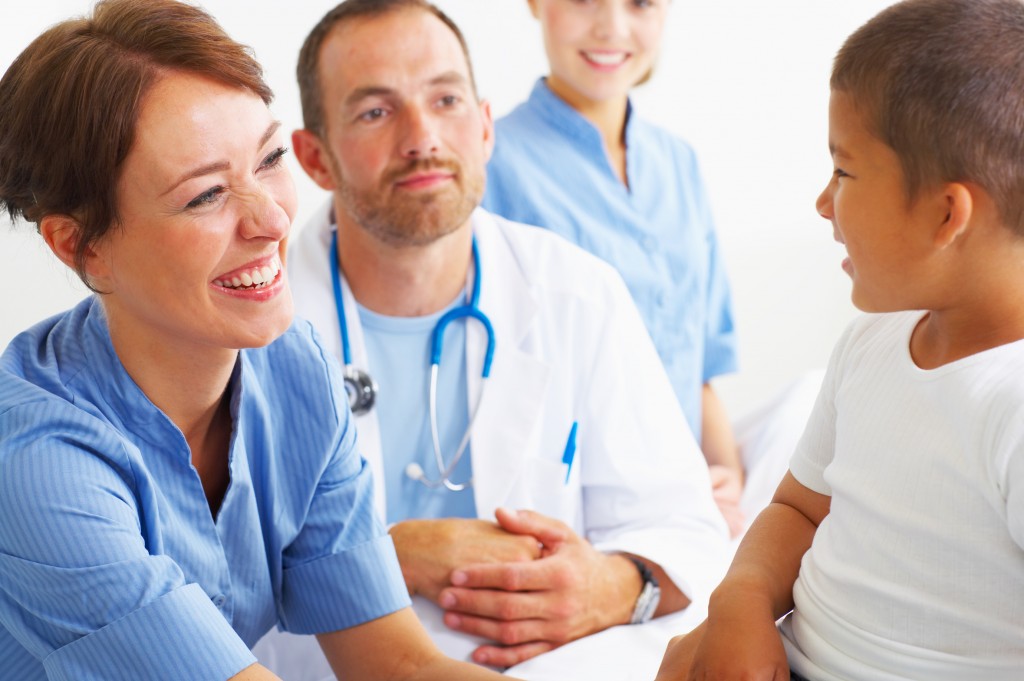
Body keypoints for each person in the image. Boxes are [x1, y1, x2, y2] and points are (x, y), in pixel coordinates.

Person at [0, 1, 516, 679]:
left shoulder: (294, 370)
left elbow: (399, 664)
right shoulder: (36, 463)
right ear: (83, 246)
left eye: (270, 158)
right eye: (206, 195)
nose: (272, 219)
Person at [254, 0, 730, 677]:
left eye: (445, 99)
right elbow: (214, 584)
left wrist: (617, 584)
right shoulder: (246, 331)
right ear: (314, 156)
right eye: (375, 111)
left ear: (483, 127)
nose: (422, 137)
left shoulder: (578, 292)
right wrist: (388, 553)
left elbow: (687, 530)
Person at [655, 0, 1024, 679]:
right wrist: (737, 602)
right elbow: (798, 505)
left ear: (948, 213)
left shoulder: (1011, 404)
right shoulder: (872, 342)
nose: (824, 202)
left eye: (845, 172)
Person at [481, 0, 747, 535]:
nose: (612, 27)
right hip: (566, 509)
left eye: (641, 3)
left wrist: (726, 473)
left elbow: (697, 367)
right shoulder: (490, 163)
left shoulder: (679, 164)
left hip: (690, 504)